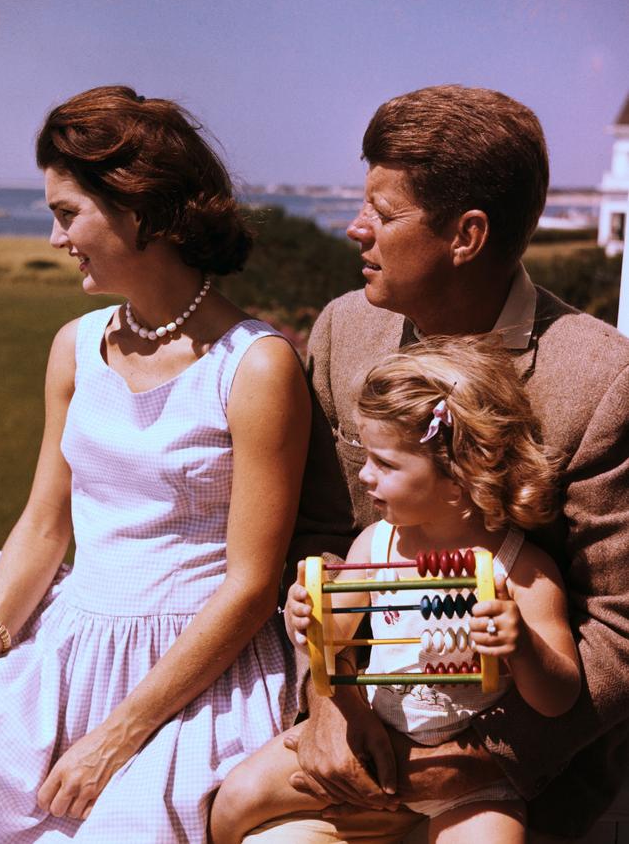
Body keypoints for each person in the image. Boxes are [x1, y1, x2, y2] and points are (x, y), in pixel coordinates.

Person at [244, 86, 629, 843]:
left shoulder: (603, 379)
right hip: (351, 741)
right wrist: (329, 702)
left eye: (383, 215)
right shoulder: (343, 328)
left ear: (467, 235)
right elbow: (316, 533)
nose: (357, 228)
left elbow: (617, 626)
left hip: (511, 781)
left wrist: (477, 760)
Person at [0, 85, 310, 842]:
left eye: (68, 214)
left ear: (138, 210)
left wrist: (116, 736)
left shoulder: (254, 368)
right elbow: (42, 523)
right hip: (63, 657)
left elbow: (253, 584)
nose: (57, 237)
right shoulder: (75, 347)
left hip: (191, 682)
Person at [210, 335, 581, 844]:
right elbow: (335, 641)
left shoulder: (522, 572)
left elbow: (559, 698)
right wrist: (308, 622)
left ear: (459, 475)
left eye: (384, 464)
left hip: (467, 780)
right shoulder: (376, 544)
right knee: (233, 801)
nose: (364, 476)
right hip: (369, 739)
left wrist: (524, 646)